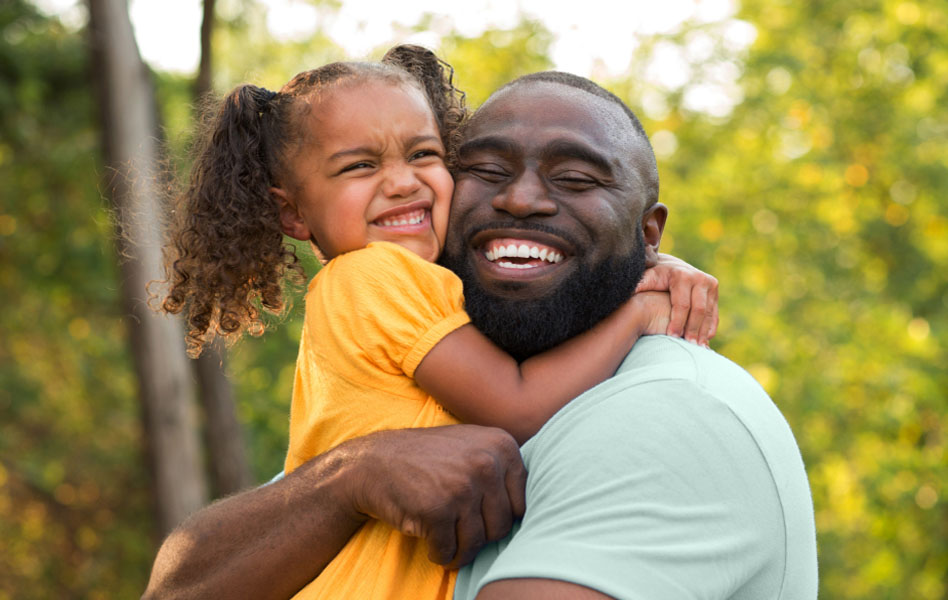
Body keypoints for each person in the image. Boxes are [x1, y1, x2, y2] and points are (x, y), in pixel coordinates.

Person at [145, 70, 817, 600]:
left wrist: (641, 280)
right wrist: (352, 477)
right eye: (486, 171)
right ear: (292, 211)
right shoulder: (383, 297)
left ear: (649, 233)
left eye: (425, 155)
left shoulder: (667, 415)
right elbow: (182, 581)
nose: (518, 201)